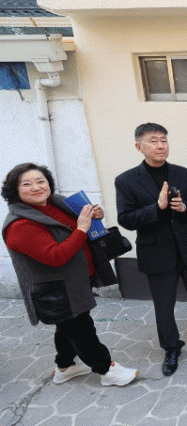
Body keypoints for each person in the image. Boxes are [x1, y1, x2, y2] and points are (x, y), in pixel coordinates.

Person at [2, 163, 138, 386]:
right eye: (26, 184)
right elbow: (56, 256)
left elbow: (81, 229)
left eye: (41, 181)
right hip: (56, 289)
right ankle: (106, 370)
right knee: (81, 329)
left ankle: (65, 367)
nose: (36, 187)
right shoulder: (20, 226)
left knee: (67, 325)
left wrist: (95, 216)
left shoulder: (58, 204)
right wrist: (81, 228)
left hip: (77, 279)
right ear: (15, 191)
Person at [115, 123, 187, 377]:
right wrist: (157, 208)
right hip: (156, 252)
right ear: (139, 146)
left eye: (163, 140)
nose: (160, 145)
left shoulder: (183, 174)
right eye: (153, 141)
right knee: (164, 305)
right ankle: (171, 348)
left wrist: (184, 208)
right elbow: (126, 219)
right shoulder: (126, 180)